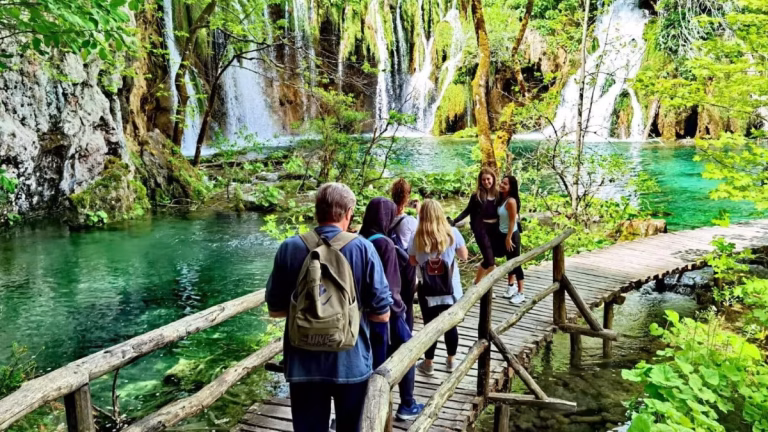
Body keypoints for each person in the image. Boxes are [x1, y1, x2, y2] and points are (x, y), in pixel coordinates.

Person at [265, 183, 393, 432]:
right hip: (351, 363)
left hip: (303, 366)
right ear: (349, 213)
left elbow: (276, 311)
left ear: (316, 211)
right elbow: (382, 315)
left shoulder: (289, 248)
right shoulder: (363, 248)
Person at [359, 197, 424, 420]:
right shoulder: (385, 244)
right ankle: (407, 404)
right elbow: (390, 284)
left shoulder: (359, 239)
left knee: (369, 363)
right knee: (407, 351)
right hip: (387, 313)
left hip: (362, 314)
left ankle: (358, 412)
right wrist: (400, 310)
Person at [409, 199, 469, 376]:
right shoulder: (453, 233)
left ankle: (428, 363)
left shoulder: (416, 237)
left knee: (429, 327)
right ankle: (451, 361)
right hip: (451, 289)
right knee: (451, 326)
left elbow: (412, 261)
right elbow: (464, 255)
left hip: (428, 290)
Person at [452, 167, 499, 284]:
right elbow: (467, 211)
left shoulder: (499, 194)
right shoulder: (477, 196)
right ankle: (481, 284)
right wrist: (454, 221)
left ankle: (478, 283)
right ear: (480, 181)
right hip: (482, 230)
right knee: (490, 261)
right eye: (483, 180)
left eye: (488, 179)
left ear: (493, 179)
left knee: (489, 260)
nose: (486, 182)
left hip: (496, 230)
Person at [390, 178, 419, 330]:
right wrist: (419, 211)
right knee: (408, 303)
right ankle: (407, 335)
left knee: (393, 303)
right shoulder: (409, 221)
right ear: (408, 196)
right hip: (406, 266)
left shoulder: (386, 217)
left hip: (389, 265)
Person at [496, 175, 525, 304]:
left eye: (505, 184)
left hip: (512, 235)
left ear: (511, 187)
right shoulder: (502, 198)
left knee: (515, 263)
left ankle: (521, 292)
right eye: (502, 182)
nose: (502, 185)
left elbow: (513, 220)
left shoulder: (511, 201)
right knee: (509, 261)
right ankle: (511, 286)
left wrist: (508, 238)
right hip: (503, 233)